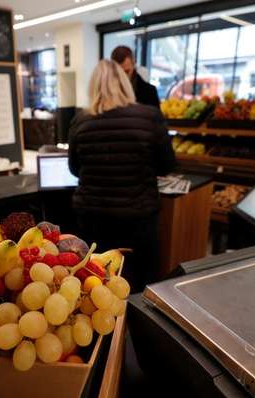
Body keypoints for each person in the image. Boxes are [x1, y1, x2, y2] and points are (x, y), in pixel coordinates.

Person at [68, 59, 175, 292]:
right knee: (141, 283)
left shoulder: (80, 121)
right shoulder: (150, 117)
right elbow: (167, 165)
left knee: (97, 284)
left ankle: (107, 329)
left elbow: (74, 169)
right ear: (126, 84)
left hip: (93, 218)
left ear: (93, 86)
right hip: (138, 218)